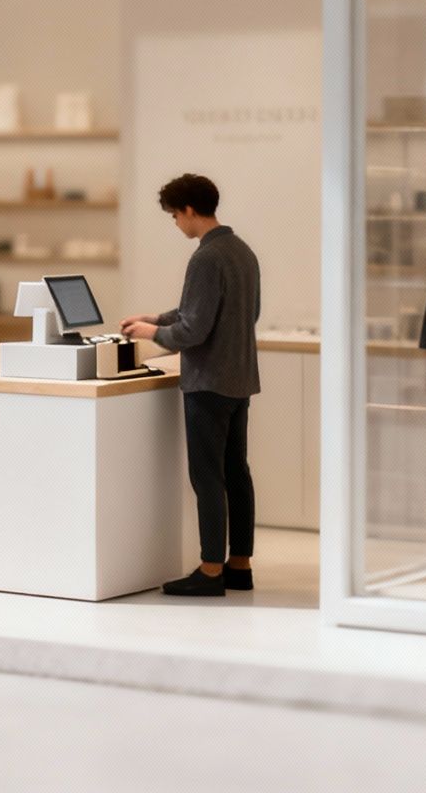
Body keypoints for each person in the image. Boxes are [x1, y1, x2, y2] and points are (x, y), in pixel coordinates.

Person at [121, 173, 261, 598]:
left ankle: (210, 570)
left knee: (207, 477)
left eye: (173, 216)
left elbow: (194, 329)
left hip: (208, 383)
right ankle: (239, 565)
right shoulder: (242, 251)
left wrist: (150, 334)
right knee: (236, 473)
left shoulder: (205, 258)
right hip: (239, 378)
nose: (175, 224)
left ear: (188, 210)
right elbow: (229, 314)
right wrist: (157, 319)